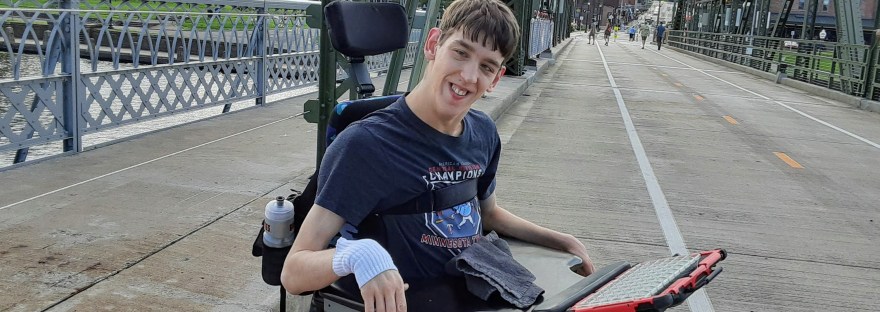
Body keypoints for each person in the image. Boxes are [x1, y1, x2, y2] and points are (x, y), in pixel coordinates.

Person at [280, 0, 596, 310]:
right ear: (433, 44)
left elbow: (488, 215)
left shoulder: (483, 131)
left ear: (496, 79)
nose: (469, 76)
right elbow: (293, 273)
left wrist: (561, 240)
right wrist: (356, 255)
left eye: (486, 66)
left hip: (469, 289)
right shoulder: (365, 145)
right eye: (460, 53)